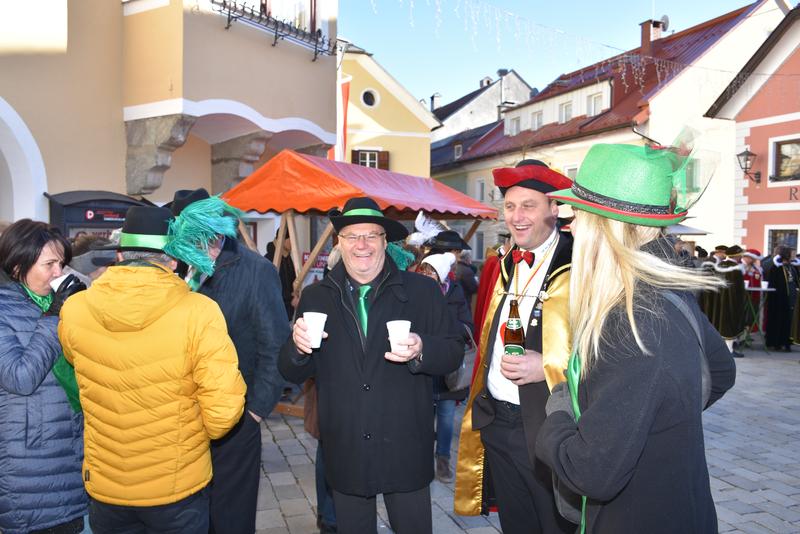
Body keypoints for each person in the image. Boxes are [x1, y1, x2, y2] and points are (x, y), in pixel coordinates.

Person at [537, 143, 736, 533]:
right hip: (679, 507)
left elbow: (589, 472)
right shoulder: (665, 289)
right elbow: (721, 371)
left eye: (578, 214)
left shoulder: (631, 320)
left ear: (607, 226)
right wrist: (655, 425)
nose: (570, 226)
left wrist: (557, 412)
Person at [279, 196, 463, 534]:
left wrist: (422, 348)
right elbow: (291, 371)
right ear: (339, 242)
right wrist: (297, 348)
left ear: (384, 240)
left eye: (371, 235)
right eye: (352, 236)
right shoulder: (316, 297)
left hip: (406, 445)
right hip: (346, 445)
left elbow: (453, 352)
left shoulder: (422, 291)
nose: (361, 245)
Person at [58, 206, 246, 533]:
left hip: (106, 485)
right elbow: (223, 414)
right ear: (173, 260)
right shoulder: (199, 312)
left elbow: (76, 366)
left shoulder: (75, 309)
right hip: (176, 487)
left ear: (119, 256)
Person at [454, 159, 574, 533]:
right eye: (509, 206)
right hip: (497, 423)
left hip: (546, 426)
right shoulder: (502, 263)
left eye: (528, 206)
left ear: (554, 207)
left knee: (556, 525)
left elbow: (607, 351)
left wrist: (549, 364)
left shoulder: (582, 265)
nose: (516, 217)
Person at [169, 189, 290, 534]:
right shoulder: (173, 268)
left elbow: (275, 346)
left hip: (235, 420)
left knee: (230, 518)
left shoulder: (255, 271)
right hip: (178, 421)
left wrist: (255, 412)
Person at [0, 219, 88, 534]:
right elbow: (20, 378)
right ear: (17, 267)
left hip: (71, 452)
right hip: (28, 466)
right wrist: (53, 318)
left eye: (61, 264)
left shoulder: (58, 306)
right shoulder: (4, 310)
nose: (58, 273)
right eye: (49, 264)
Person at [417, 251, 474, 483]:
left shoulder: (455, 293)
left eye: (430, 272)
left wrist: (443, 321)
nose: (425, 275)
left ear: (440, 275)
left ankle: (443, 459)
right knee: (423, 416)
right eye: (423, 270)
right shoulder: (416, 292)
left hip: (448, 367)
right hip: (425, 364)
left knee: (447, 417)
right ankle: (422, 460)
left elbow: (467, 327)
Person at [765, 246, 799, 352]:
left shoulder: (792, 267)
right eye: (792, 253)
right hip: (780, 300)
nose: (794, 255)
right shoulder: (776, 268)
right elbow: (774, 284)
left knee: (789, 321)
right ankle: (777, 343)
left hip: (791, 299)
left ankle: (787, 342)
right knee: (779, 320)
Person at [266, 236, 298, 319]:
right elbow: (271, 287)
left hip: (287, 311)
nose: (292, 243)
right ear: (284, 239)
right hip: (275, 311)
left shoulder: (287, 258)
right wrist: (291, 298)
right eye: (290, 240)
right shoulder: (269, 259)